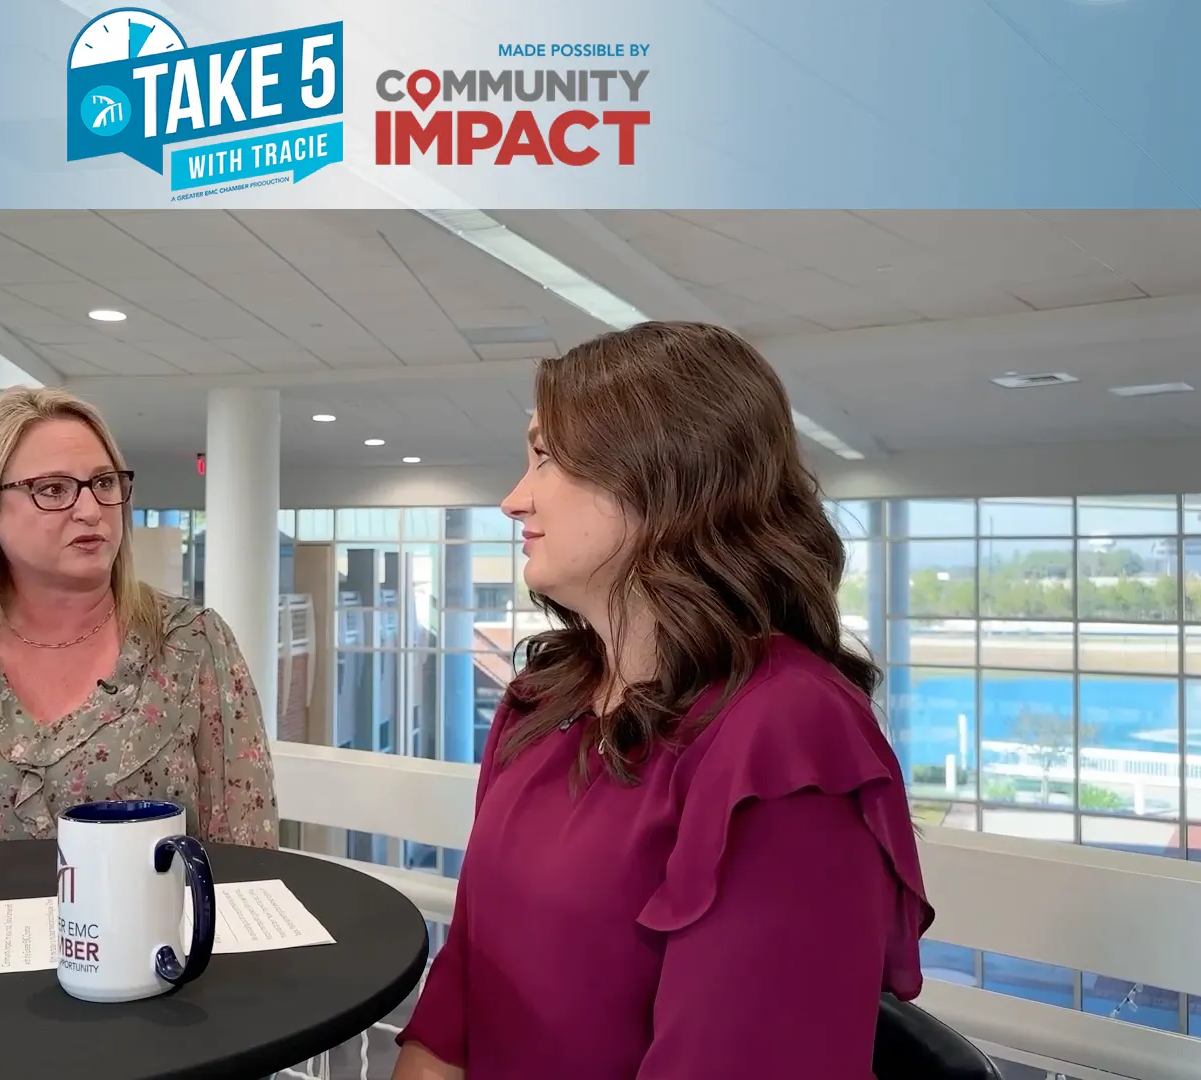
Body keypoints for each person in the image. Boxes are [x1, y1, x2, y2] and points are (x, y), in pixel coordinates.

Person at [392, 322, 933, 1079]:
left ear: (659, 473)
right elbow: (471, 970)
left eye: (545, 456)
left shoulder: (783, 737)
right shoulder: (542, 700)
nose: (514, 500)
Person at [0, 387, 278, 848]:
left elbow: (249, 857)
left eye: (104, 483)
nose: (91, 511)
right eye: (53, 490)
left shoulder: (192, 644)